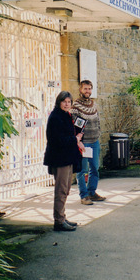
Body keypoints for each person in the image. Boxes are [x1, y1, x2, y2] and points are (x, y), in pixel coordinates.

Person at [44, 91, 84, 231]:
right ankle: (59, 221)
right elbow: (56, 140)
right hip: (59, 159)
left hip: (67, 157)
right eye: (64, 101)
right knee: (61, 190)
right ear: (59, 102)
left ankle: (62, 216)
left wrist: (77, 140)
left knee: (65, 189)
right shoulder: (55, 117)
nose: (67, 104)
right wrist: (75, 139)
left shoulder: (65, 115)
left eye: (69, 102)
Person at [70, 80, 106, 205]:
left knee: (95, 168)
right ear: (80, 89)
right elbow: (75, 126)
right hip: (83, 144)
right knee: (82, 170)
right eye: (85, 88)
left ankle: (92, 192)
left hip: (94, 142)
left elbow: (98, 121)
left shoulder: (94, 105)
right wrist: (79, 141)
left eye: (89, 89)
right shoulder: (75, 106)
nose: (87, 91)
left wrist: (98, 133)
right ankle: (84, 196)